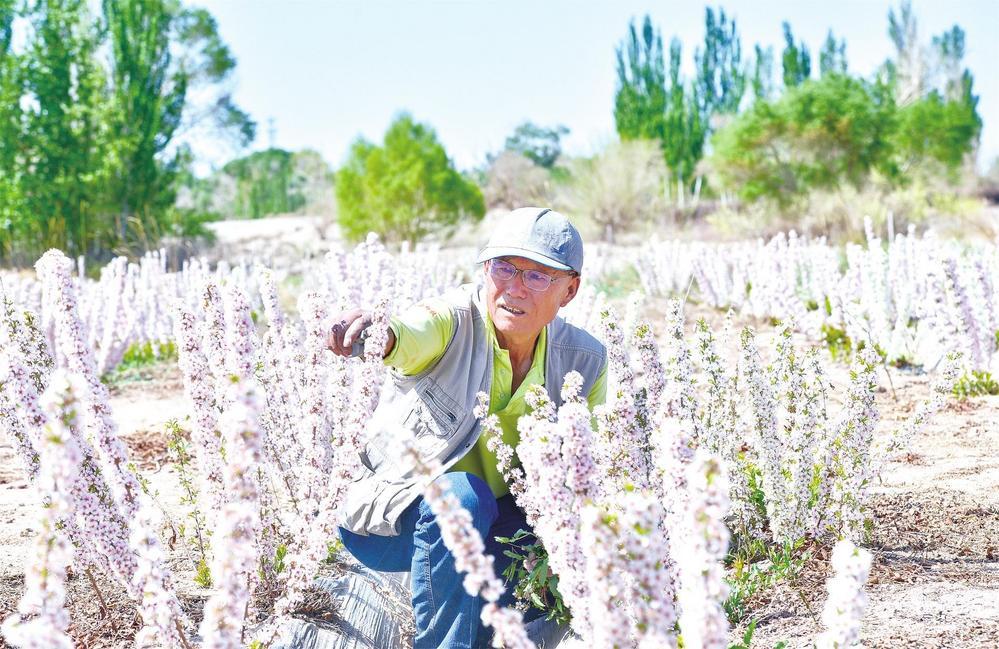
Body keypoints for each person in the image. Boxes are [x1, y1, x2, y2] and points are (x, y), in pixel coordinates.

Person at [327, 207, 608, 649]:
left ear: (569, 291)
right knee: (462, 495)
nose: (514, 288)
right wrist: (378, 334)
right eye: (504, 268)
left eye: (537, 277)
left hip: (503, 529)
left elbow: (588, 475)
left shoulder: (585, 361)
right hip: (394, 524)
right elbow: (408, 332)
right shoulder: (453, 320)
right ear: (484, 270)